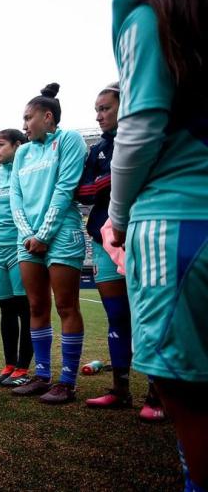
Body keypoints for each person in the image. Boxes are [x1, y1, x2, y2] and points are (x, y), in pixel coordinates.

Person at [110, 0, 208, 487]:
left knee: (187, 392)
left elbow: (141, 126)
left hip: (179, 223)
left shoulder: (147, 14)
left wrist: (117, 216)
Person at [76, 83, 164, 420]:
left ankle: (157, 395)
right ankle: (120, 390)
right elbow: (82, 192)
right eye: (96, 110)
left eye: (105, 108)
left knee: (149, 316)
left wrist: (110, 180)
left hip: (142, 234)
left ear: (125, 107)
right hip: (103, 239)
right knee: (117, 317)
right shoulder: (97, 148)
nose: (99, 116)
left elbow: (142, 176)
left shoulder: (147, 139)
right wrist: (113, 178)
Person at [9, 83, 88, 404]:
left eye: (28, 118)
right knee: (36, 306)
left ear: (47, 116)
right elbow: (16, 196)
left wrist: (44, 234)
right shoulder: (24, 152)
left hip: (61, 234)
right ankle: (42, 375)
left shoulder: (69, 140)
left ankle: (67, 381)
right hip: (26, 240)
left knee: (66, 306)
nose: (24, 124)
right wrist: (29, 233)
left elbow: (66, 187)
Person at [0, 130, 34, 388]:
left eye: (0, 145)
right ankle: (9, 363)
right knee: (5, 308)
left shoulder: (27, 170)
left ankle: (24, 367)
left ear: (18, 145)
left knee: (23, 308)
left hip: (19, 246)